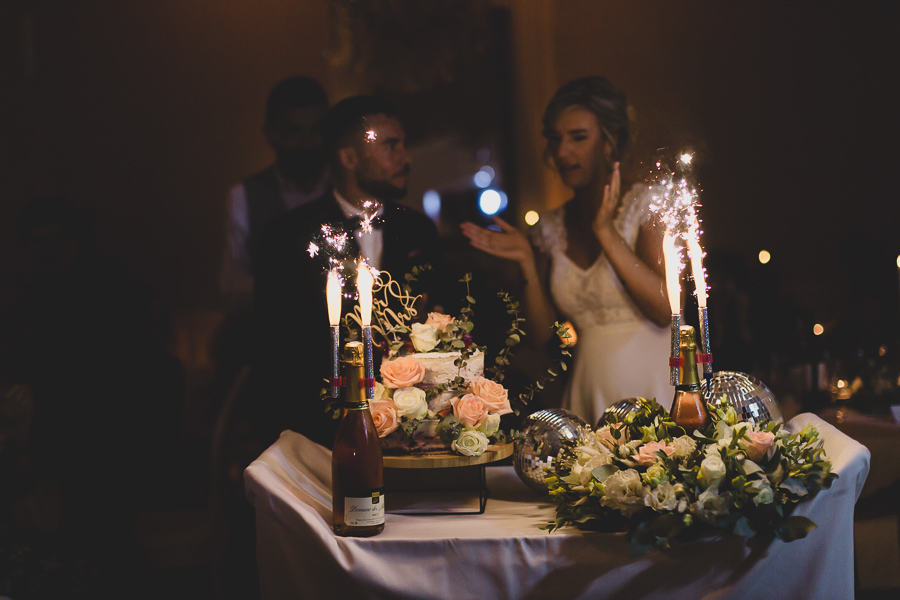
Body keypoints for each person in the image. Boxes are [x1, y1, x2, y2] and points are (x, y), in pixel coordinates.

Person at [461, 77, 672, 426]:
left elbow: (665, 310)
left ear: (610, 140)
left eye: (578, 137)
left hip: (656, 383)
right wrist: (527, 262)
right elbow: (543, 337)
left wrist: (606, 233)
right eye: (555, 139)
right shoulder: (549, 227)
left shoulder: (648, 205)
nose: (561, 153)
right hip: (589, 386)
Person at [251, 95, 443, 448]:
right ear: (349, 157)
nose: (406, 157)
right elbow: (274, 352)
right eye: (391, 146)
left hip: (413, 430)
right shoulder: (288, 237)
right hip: (317, 431)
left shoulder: (420, 230)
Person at [220, 76, 330, 312]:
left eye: (316, 130)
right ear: (271, 134)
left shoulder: (345, 188)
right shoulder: (245, 197)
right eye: (295, 132)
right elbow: (231, 290)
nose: (307, 143)